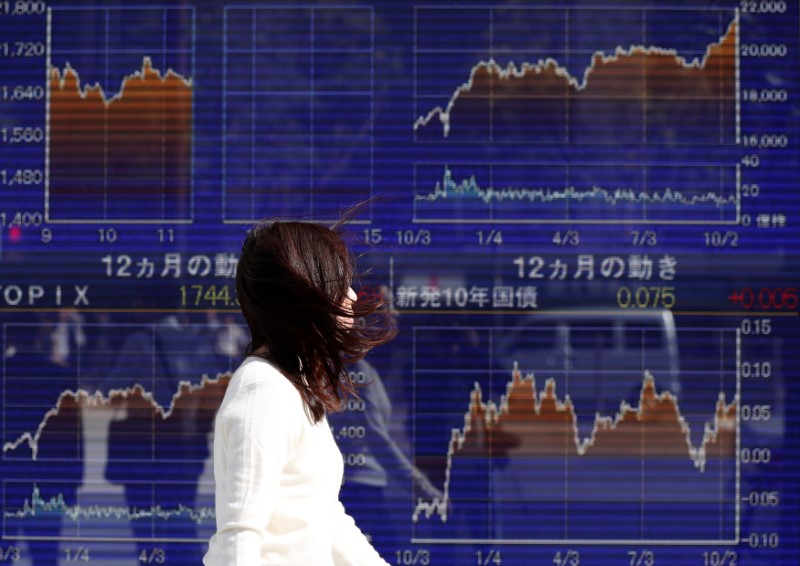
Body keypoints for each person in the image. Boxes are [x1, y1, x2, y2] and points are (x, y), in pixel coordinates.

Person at [203, 216, 397, 565]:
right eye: (340, 283)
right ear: (306, 290)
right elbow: (238, 539)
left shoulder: (291, 386)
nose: (352, 296)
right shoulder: (264, 392)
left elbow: (326, 518)